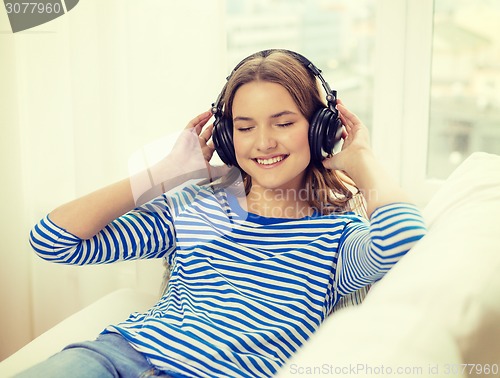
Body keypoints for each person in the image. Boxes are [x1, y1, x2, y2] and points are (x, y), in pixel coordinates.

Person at [20, 49, 426, 378]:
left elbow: (404, 238)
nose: (264, 142)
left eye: (283, 122)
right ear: (228, 139)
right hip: (114, 358)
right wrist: (162, 175)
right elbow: (53, 240)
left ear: (321, 128)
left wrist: (362, 159)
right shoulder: (197, 207)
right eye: (245, 127)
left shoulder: (339, 235)